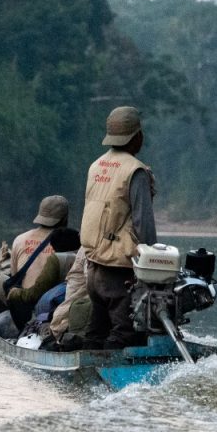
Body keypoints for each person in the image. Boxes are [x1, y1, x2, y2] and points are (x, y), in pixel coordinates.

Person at [79, 105, 156, 349]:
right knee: (125, 335)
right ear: (138, 137)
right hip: (119, 274)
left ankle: (84, 378)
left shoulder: (96, 166)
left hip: (93, 270)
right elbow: (145, 227)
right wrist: (152, 267)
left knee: (96, 332)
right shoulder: (136, 171)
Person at [3, 195, 70, 329]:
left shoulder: (20, 239)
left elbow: (15, 275)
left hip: (25, 304)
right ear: (64, 219)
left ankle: (12, 324)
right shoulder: (72, 241)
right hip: (55, 306)